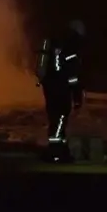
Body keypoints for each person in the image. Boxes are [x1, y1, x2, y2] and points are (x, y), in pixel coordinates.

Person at [35, 20, 86, 162]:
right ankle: (56, 151)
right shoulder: (71, 47)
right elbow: (73, 75)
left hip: (49, 86)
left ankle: (60, 149)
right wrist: (77, 97)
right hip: (61, 88)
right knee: (61, 118)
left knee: (55, 118)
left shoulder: (54, 42)